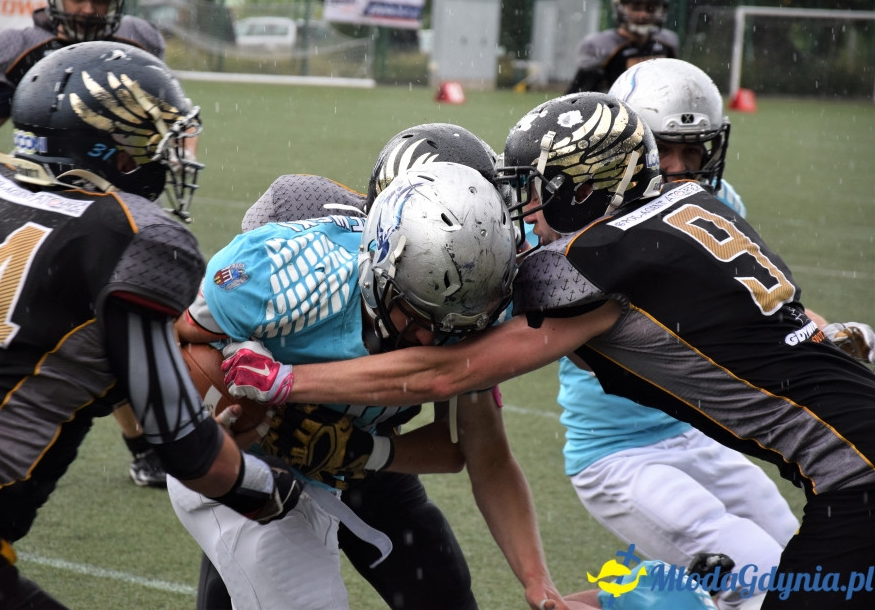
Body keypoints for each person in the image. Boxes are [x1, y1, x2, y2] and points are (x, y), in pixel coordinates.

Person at [223, 92, 875, 609]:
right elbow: (788, 317)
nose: (524, 210)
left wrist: (287, 383)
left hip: (853, 474)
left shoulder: (601, 261)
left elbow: (451, 373)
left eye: (535, 190)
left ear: (583, 188)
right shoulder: (697, 202)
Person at [0, 41, 301, 609]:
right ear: (115, 152)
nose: (169, 158)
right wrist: (277, 491)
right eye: (154, 141)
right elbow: (186, 450)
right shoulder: (132, 236)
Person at [172, 160, 566, 609]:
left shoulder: (469, 293)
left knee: (443, 593)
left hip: (363, 454)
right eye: (417, 316)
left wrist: (361, 451)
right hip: (257, 461)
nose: (429, 339)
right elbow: (172, 342)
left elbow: (476, 452)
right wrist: (203, 425)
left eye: (452, 328)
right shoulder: (285, 272)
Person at [550, 58, 800, 610]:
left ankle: (588, 604)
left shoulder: (718, 203)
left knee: (801, 559)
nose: (682, 167)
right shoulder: (588, 210)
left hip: (696, 432)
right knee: (760, 576)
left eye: (695, 150)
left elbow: (763, 300)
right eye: (665, 149)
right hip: (617, 453)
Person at [0, 0, 172, 488]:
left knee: (111, 321)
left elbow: (168, 124)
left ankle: (145, 444)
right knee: (89, 324)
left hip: (109, 203)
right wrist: (14, 168)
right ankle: (150, 444)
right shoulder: (25, 51)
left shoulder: (134, 46)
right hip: (44, 210)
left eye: (100, 0)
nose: (89, 10)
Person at [564, 0, 677, 95]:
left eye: (651, 7)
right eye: (636, 6)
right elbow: (576, 99)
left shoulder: (667, 43)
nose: (644, 14)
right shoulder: (601, 46)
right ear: (620, 6)